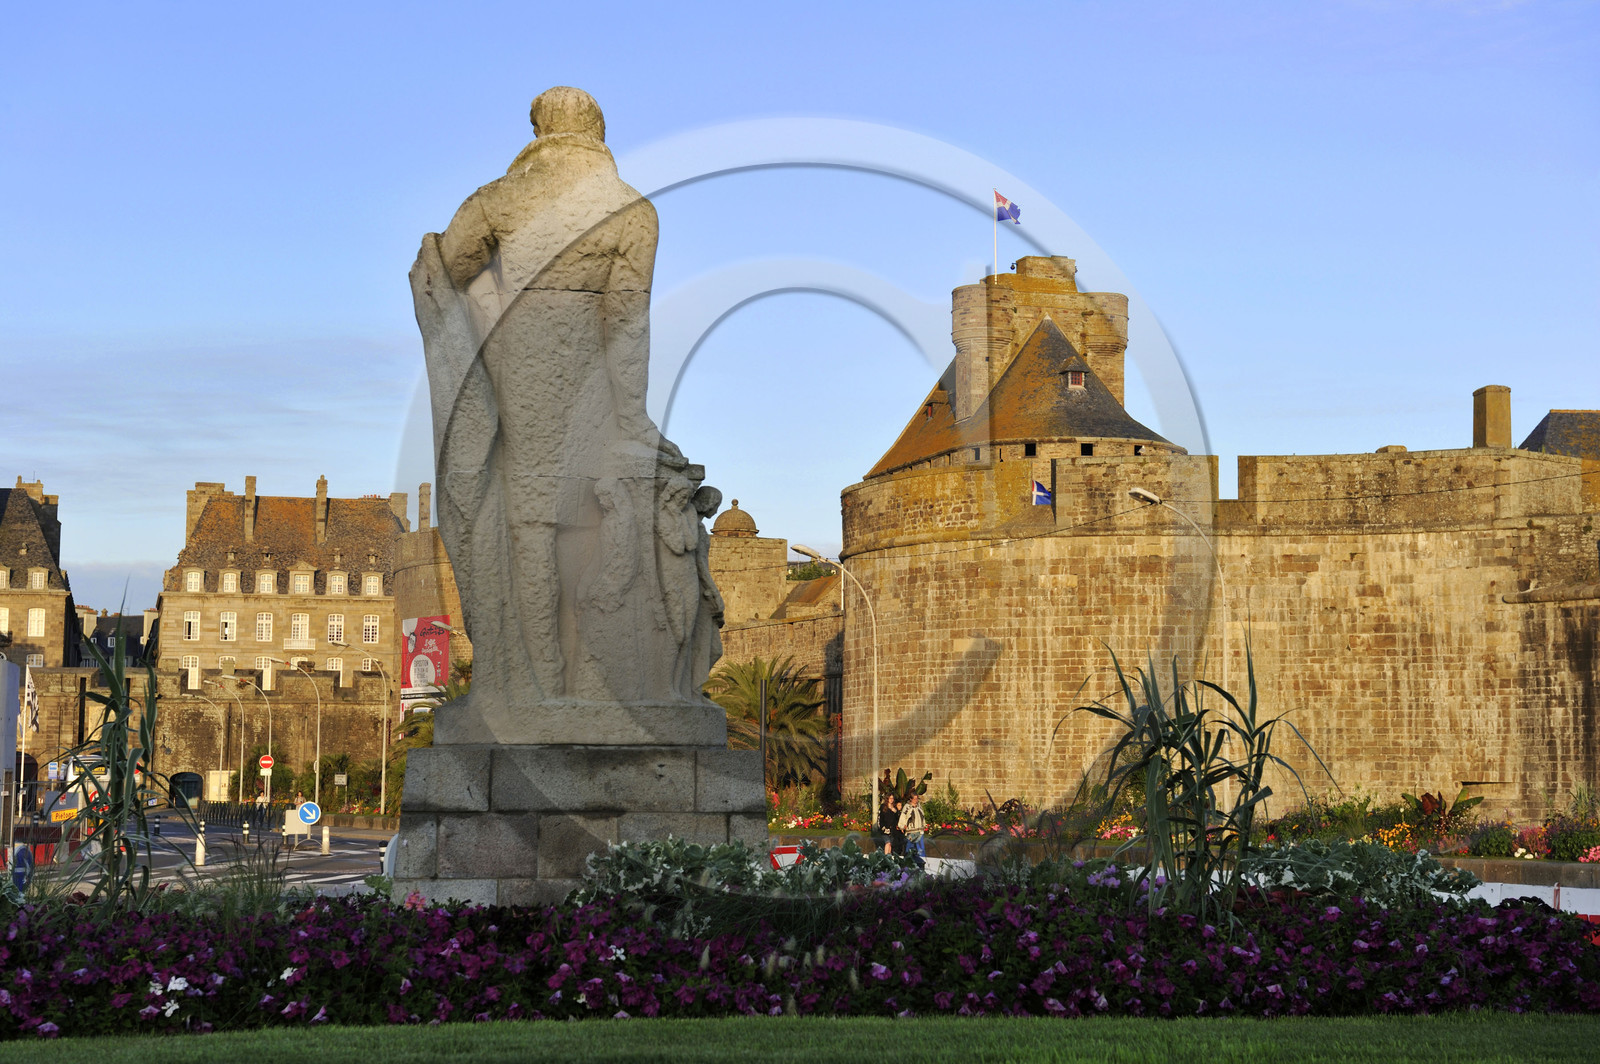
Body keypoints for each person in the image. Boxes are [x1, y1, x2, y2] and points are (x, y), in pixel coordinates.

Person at [898, 792, 927, 869]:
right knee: (909, 849)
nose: (916, 800)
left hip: (920, 831)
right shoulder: (907, 807)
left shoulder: (919, 806)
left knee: (920, 849)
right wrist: (902, 826)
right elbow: (903, 817)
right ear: (911, 799)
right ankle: (907, 865)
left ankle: (921, 865)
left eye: (917, 799)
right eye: (914, 799)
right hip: (911, 832)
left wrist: (924, 825)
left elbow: (922, 816)